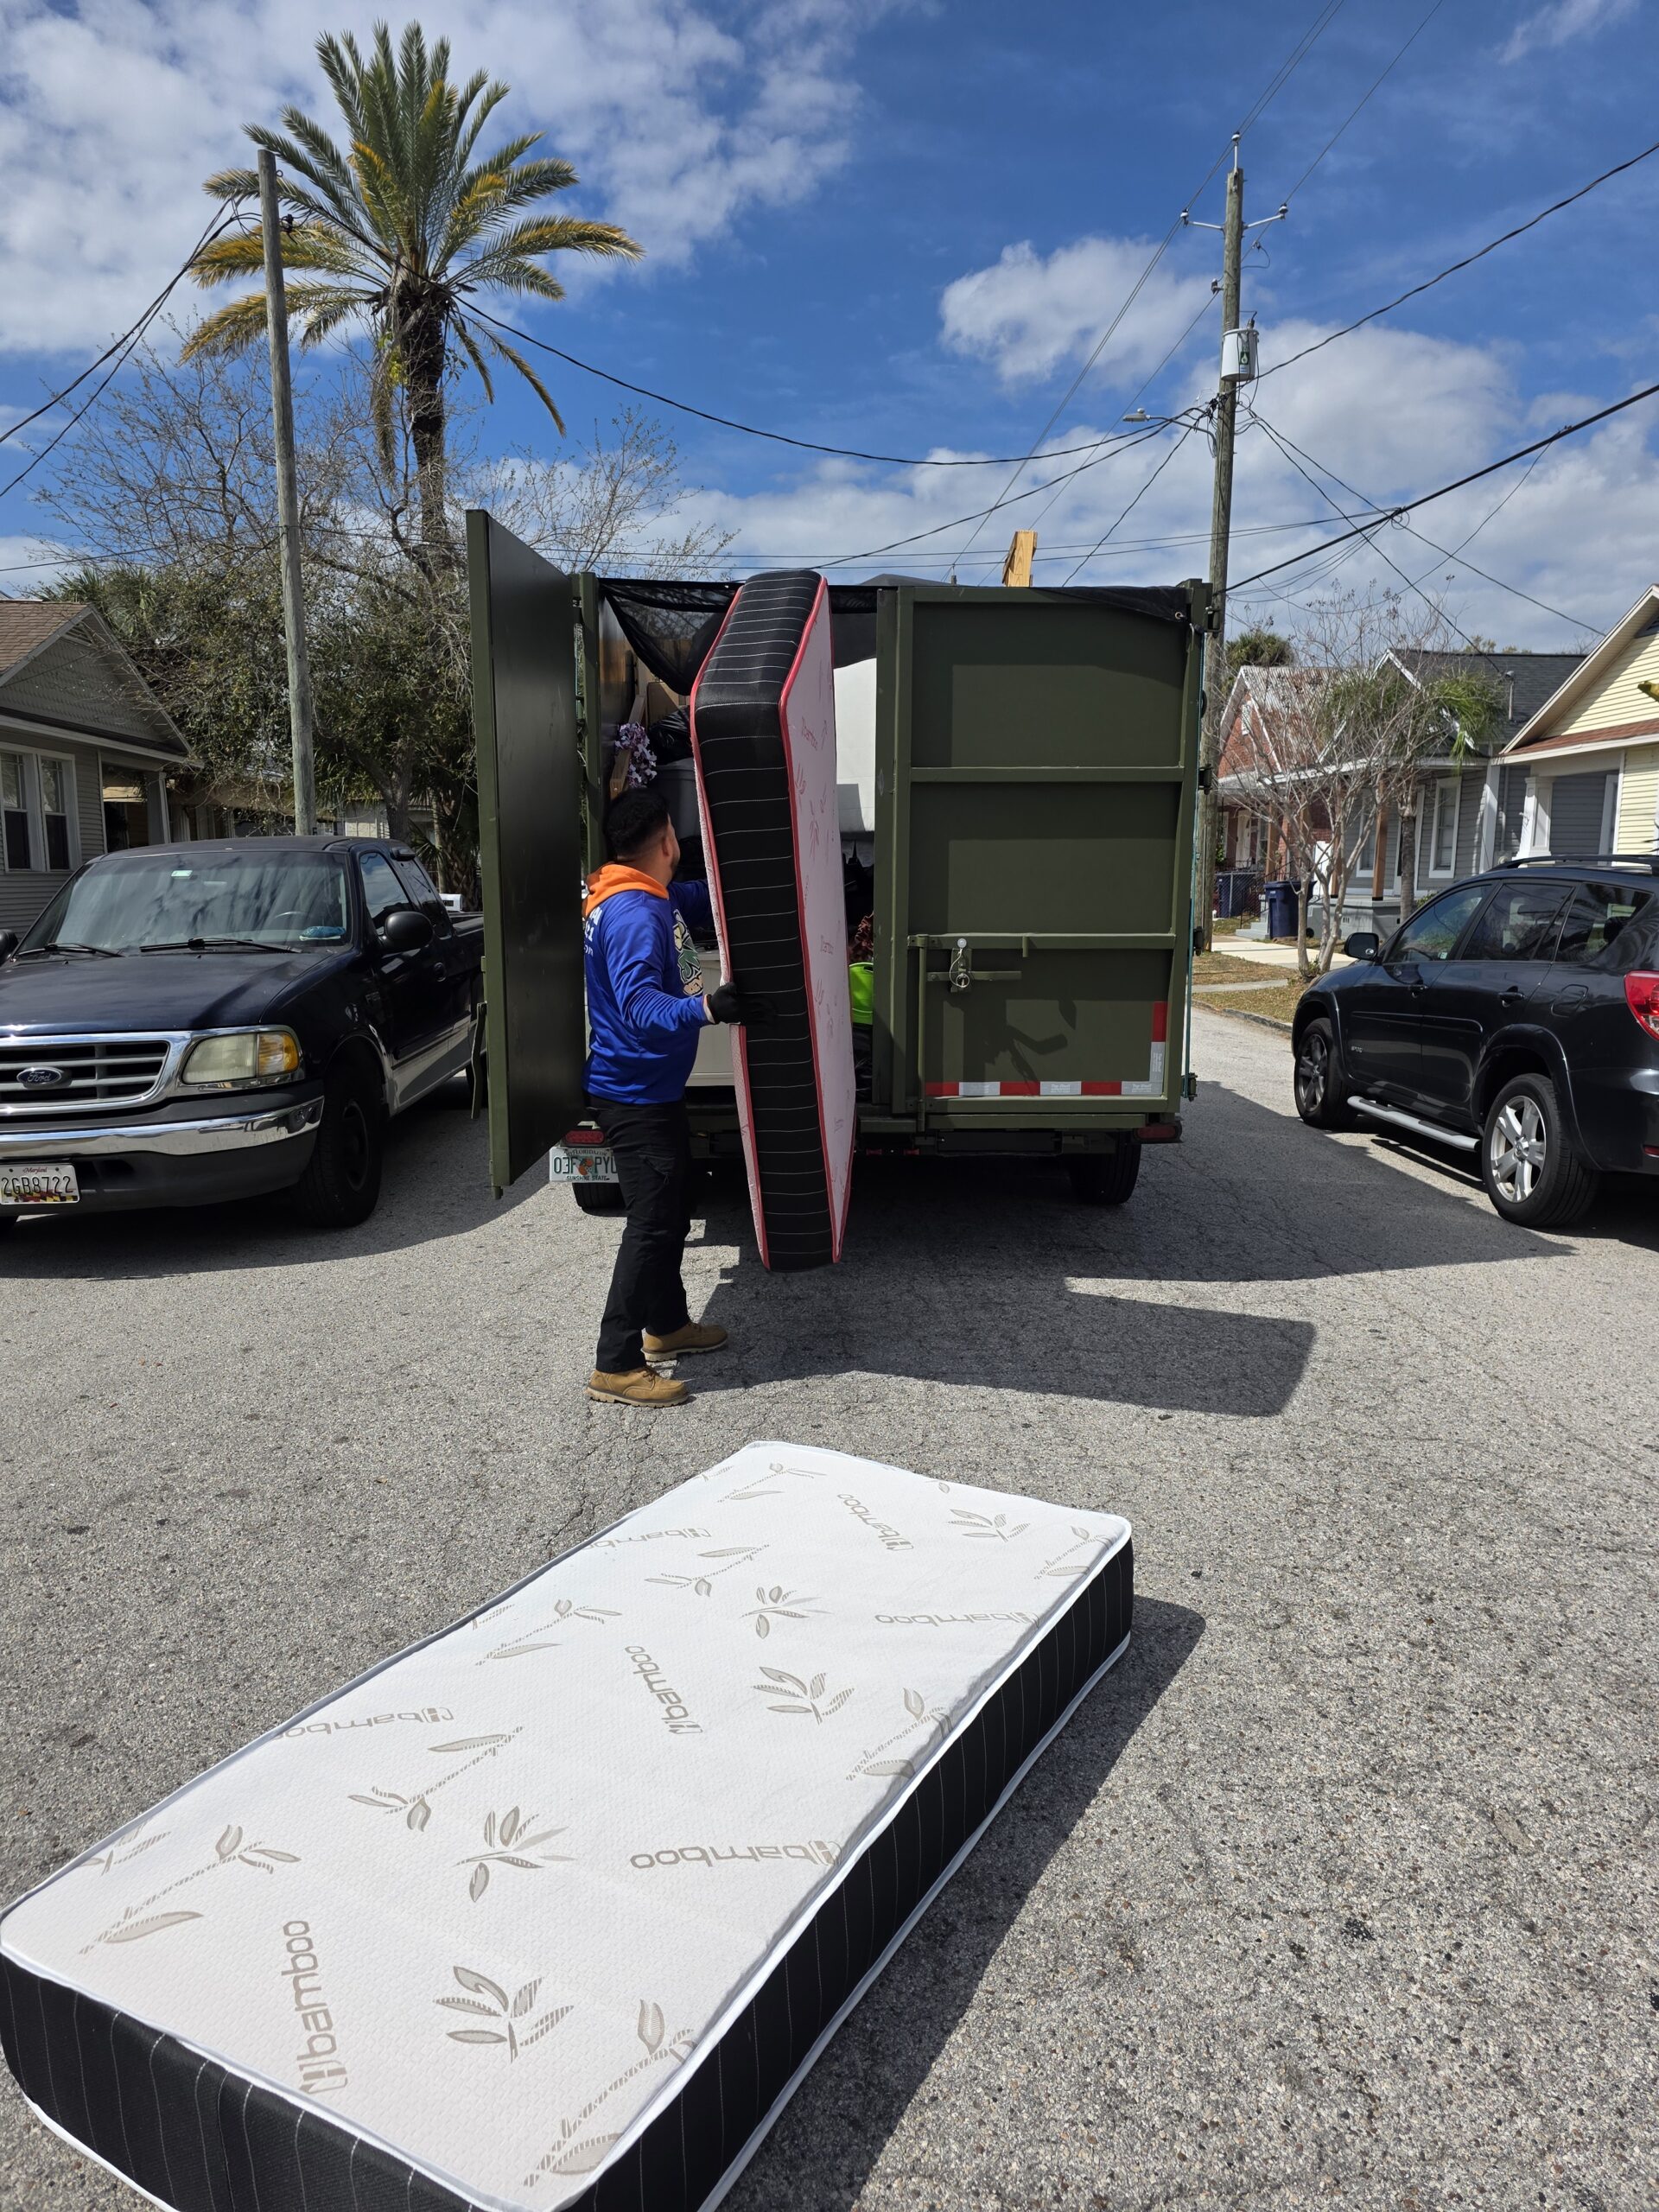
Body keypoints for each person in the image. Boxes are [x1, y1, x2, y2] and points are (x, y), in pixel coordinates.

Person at [582, 785, 760, 1407]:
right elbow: (638, 1006)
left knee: (672, 1209)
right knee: (653, 1224)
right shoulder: (634, 913)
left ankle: (667, 1327)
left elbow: (696, 898)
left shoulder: (646, 895)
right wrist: (708, 1007)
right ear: (665, 841)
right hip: (632, 1094)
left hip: (649, 1089)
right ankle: (616, 1363)